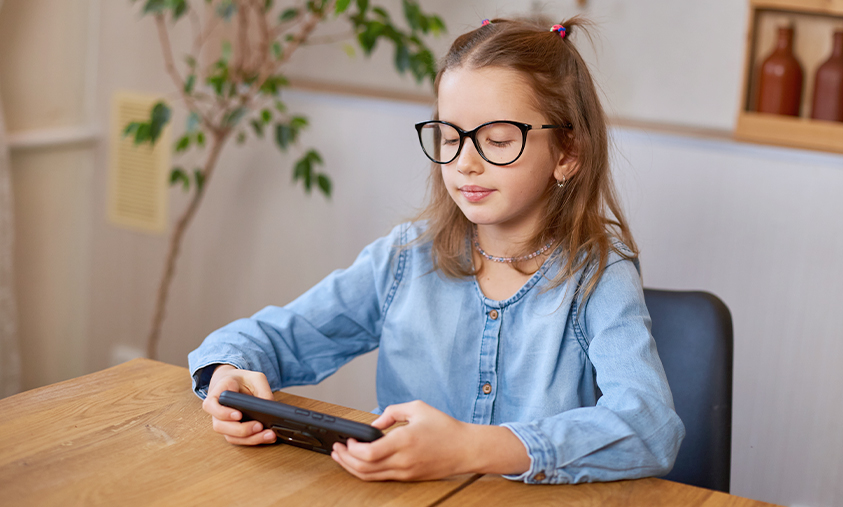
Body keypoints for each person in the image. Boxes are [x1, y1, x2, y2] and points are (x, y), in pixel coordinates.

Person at [188, 16, 684, 484]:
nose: (465, 162)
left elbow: (650, 427)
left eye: (497, 140)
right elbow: (271, 338)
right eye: (449, 136)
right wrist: (228, 374)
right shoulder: (405, 257)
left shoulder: (600, 274)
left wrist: (472, 448)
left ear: (568, 152)